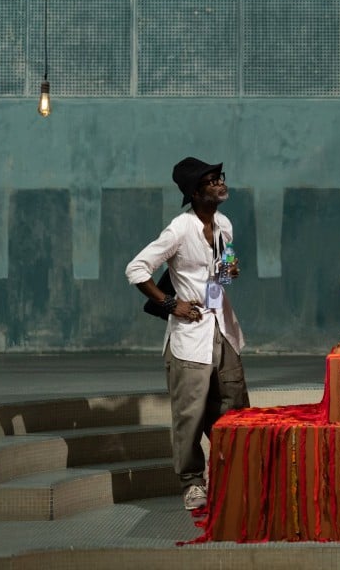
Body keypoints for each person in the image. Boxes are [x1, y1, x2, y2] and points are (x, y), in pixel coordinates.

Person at [125, 157, 250, 511]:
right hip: (189, 335)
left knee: (234, 406)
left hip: (223, 328)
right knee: (190, 414)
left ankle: (234, 476)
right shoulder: (179, 229)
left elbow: (220, 278)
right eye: (211, 181)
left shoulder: (224, 225)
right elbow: (136, 268)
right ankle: (193, 483)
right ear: (195, 193)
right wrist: (170, 304)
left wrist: (227, 271)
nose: (220, 184)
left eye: (219, 178)